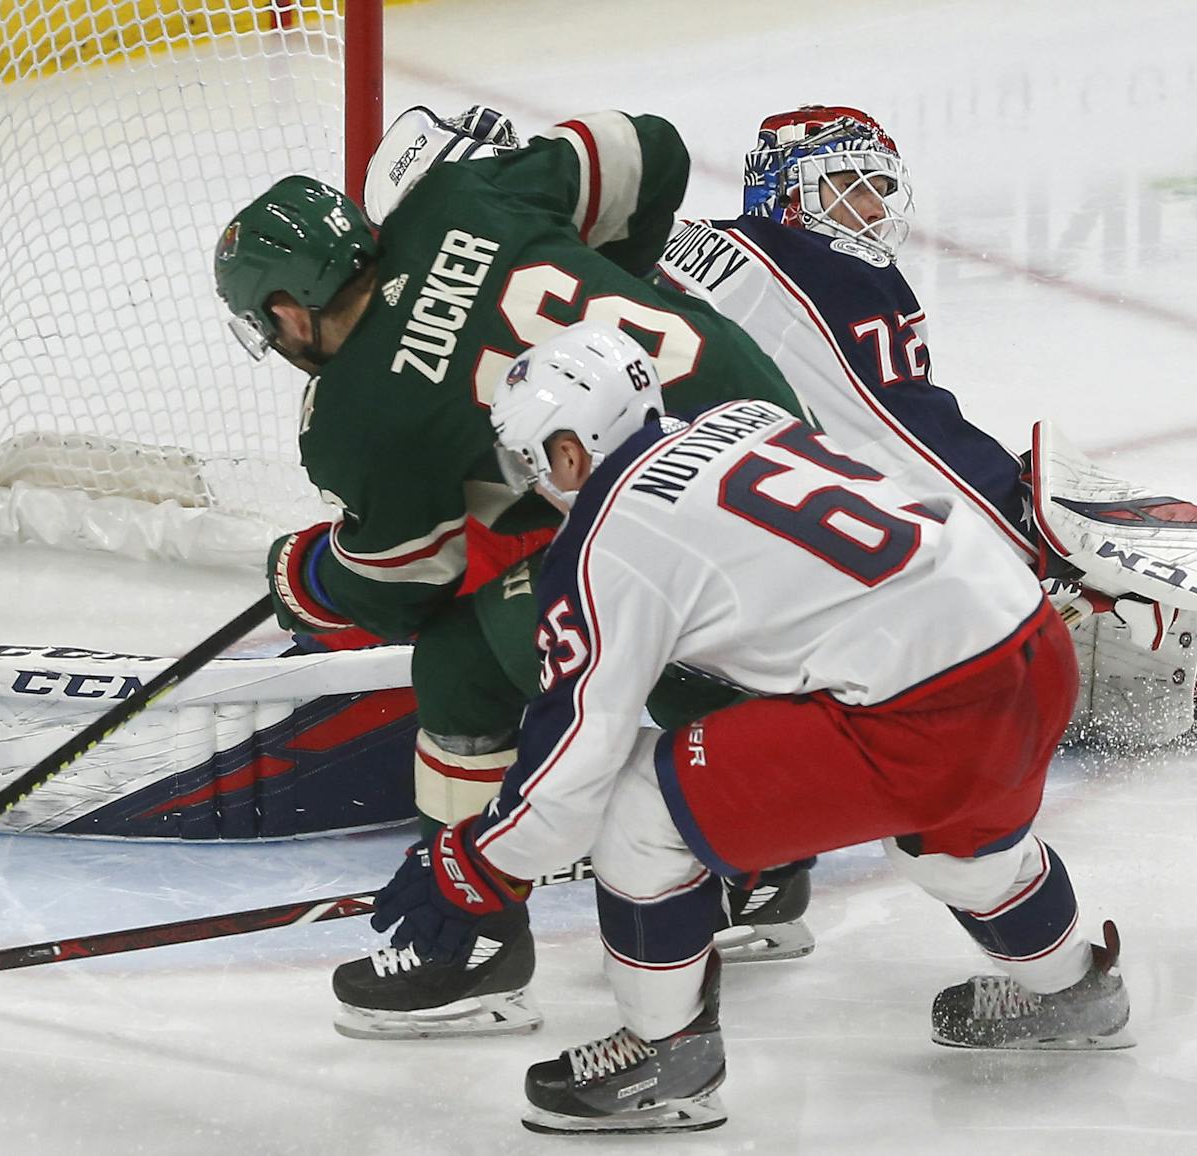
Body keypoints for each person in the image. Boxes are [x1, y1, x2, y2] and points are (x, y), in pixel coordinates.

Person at [367, 321, 1132, 1135]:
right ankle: (1077, 988)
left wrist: (478, 863)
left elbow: (572, 765)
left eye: (531, 460)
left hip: (928, 710)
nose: (532, 482)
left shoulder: (608, 543)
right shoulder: (738, 418)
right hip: (1029, 644)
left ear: (568, 450)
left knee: (637, 805)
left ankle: (665, 1059)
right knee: (956, 844)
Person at [213, 108, 810, 1038]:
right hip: (771, 432)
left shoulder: (356, 413)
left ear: (289, 310)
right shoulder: (462, 192)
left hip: (684, 520)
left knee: (496, 637)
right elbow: (651, 147)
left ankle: (743, 837)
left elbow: (405, 585)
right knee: (478, 646)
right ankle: (742, 854)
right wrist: (621, 278)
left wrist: (312, 577)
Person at [654, 104, 1196, 747]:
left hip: (661, 547)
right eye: (846, 186)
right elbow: (900, 433)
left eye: (879, 188)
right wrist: (1030, 542)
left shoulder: (686, 239)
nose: (871, 208)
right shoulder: (831, 269)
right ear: (784, 190)